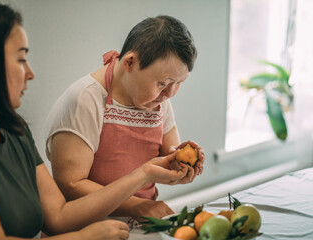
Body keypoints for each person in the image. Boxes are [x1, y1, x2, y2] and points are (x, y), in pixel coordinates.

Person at [0, 1, 199, 239]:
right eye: (20, 59)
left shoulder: (16, 130)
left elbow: (58, 216)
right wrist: (83, 237)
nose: (30, 73)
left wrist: (149, 173)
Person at [45, 15, 205, 228]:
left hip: (140, 223)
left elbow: (169, 156)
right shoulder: (85, 100)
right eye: (163, 83)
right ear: (130, 62)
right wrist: (136, 206)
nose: (170, 94)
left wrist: (180, 167)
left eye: (179, 84)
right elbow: (71, 185)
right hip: (89, 228)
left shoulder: (158, 100)